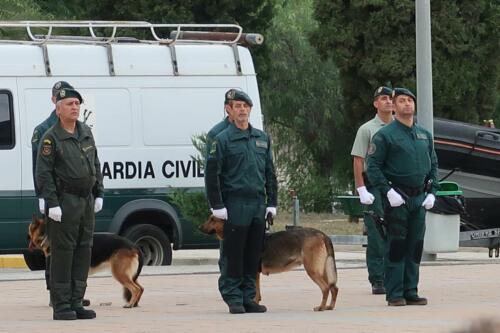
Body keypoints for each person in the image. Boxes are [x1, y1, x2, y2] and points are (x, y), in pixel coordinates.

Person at [205, 89, 277, 314]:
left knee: (253, 253)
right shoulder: (222, 139)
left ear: (250, 110)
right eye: (237, 106)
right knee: (233, 253)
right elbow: (212, 174)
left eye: (245, 106)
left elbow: (270, 173)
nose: (242, 110)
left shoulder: (261, 138)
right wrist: (217, 205)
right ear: (229, 110)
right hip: (234, 204)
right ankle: (233, 296)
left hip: (257, 203)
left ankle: (248, 297)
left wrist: (272, 202)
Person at [366, 87, 439, 307]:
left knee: (415, 246)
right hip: (397, 197)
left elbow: (433, 165)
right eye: (402, 101)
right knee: (396, 245)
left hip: (419, 198)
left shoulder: (424, 135)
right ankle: (395, 293)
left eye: (410, 101)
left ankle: (411, 290)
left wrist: (432, 192)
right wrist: (387, 191)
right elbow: (373, 167)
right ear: (394, 106)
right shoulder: (385, 135)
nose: (407, 104)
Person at [36, 87, 104, 320]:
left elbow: (95, 162)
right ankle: (61, 304)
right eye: (69, 104)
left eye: (77, 103)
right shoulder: (50, 138)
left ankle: (77, 301)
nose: (75, 107)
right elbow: (43, 173)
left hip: (85, 201)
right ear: (58, 109)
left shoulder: (85, 131)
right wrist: (51, 203)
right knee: (63, 253)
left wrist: (99, 192)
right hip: (65, 202)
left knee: (83, 250)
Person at [31, 81, 89, 307]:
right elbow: (39, 168)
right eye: (61, 98)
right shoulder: (44, 130)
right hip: (55, 197)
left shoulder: (80, 128)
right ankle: (55, 294)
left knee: (77, 247)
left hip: (77, 200)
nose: (73, 105)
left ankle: (74, 295)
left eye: (76, 102)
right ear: (54, 100)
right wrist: (42, 197)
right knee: (55, 247)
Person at [351, 86, 393, 295]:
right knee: (377, 235)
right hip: (374, 187)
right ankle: (377, 279)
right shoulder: (367, 129)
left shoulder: (402, 127)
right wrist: (361, 189)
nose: (388, 102)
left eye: (391, 98)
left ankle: (394, 276)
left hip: (397, 187)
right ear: (376, 103)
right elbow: (358, 159)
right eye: (383, 98)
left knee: (398, 233)